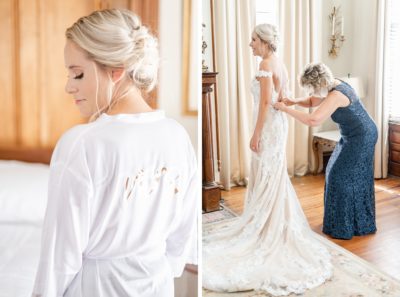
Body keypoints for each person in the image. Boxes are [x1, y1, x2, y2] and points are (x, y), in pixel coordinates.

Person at [31, 9, 197, 297]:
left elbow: (59, 256)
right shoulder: (177, 136)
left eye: (78, 74)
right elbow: (182, 237)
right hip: (157, 284)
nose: (69, 87)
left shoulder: (81, 144)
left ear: (116, 70)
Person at [202, 24, 332, 296]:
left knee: (269, 175)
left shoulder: (264, 63)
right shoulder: (278, 62)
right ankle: (273, 225)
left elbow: (264, 104)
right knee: (272, 175)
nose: (250, 44)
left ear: (263, 42)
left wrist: (256, 133)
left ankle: (267, 229)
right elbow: (282, 98)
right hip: (278, 124)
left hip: (269, 127)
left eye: (253, 40)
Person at [274, 62, 378, 240]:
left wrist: (286, 109)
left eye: (311, 88)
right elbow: (313, 100)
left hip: (362, 137)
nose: (310, 92)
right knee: (333, 172)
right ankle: (345, 221)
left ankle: (346, 225)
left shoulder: (336, 94)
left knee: (340, 177)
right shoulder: (330, 85)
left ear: (319, 83)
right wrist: (293, 101)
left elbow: (313, 120)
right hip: (350, 136)